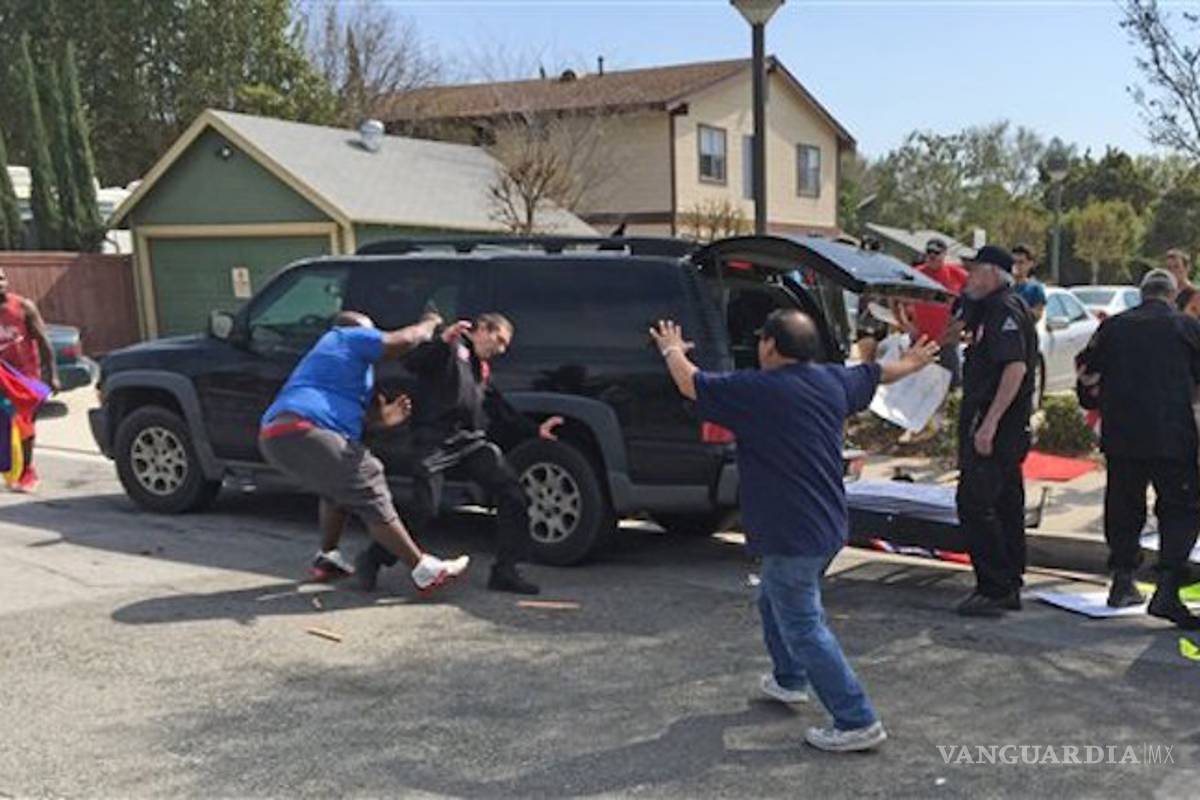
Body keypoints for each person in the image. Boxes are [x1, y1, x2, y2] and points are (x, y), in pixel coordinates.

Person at [649, 309, 938, 752]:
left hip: (792, 529)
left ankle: (856, 718)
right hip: (826, 524)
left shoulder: (758, 390)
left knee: (802, 623)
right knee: (773, 598)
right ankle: (790, 679)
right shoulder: (832, 380)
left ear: (769, 346)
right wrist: (915, 364)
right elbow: (878, 372)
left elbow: (691, 382)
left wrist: (671, 349)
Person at [259, 311, 470, 593]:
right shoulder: (342, 337)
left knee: (340, 486)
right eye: (370, 332)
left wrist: (381, 420)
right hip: (302, 428)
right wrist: (429, 324)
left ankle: (328, 557)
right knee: (367, 474)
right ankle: (423, 570)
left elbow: (357, 423)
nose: (374, 336)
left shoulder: (345, 368)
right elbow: (405, 339)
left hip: (277, 437)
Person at [356, 313, 562, 596]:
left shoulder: (481, 367)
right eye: (498, 340)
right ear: (481, 330)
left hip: (469, 442)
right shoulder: (449, 348)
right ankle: (373, 558)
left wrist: (536, 430)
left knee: (512, 492)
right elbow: (413, 363)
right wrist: (443, 341)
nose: (500, 349)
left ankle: (506, 571)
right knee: (425, 509)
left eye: (505, 346)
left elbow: (498, 407)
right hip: (433, 440)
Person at [1075, 269, 1200, 628]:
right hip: (1172, 435)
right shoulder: (1187, 327)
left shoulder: (1114, 327)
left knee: (1124, 505)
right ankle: (1167, 586)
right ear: (1171, 295)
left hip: (1123, 435)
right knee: (1180, 510)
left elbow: (1087, 376)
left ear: (1141, 294)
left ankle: (1123, 579)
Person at [955, 245, 1038, 617]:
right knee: (1004, 502)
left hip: (996, 424)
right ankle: (1008, 580)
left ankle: (995, 586)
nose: (968, 277)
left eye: (974, 271)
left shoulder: (1004, 308)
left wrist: (988, 424)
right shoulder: (990, 307)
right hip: (998, 424)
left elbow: (1014, 368)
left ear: (992, 273)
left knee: (976, 502)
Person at [899, 238, 968, 443]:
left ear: (944, 255)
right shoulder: (915, 273)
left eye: (936, 254)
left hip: (946, 339)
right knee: (916, 382)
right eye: (929, 253)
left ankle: (945, 426)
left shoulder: (955, 274)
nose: (932, 257)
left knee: (951, 382)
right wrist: (906, 324)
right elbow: (896, 299)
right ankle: (914, 425)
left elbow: (972, 299)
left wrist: (959, 326)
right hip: (921, 340)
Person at [0, 268, 59, 493]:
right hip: (2, 380)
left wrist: (51, 374)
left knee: (25, 427)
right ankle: (10, 469)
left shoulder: (23, 307)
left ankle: (27, 472)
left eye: (2, 278)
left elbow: (44, 340)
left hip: (25, 379)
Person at [1011, 244, 1046, 322]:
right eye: (1014, 262)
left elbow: (1037, 315)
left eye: (1021, 262)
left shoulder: (1035, 289)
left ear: (1030, 264)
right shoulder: (1005, 287)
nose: (1016, 265)